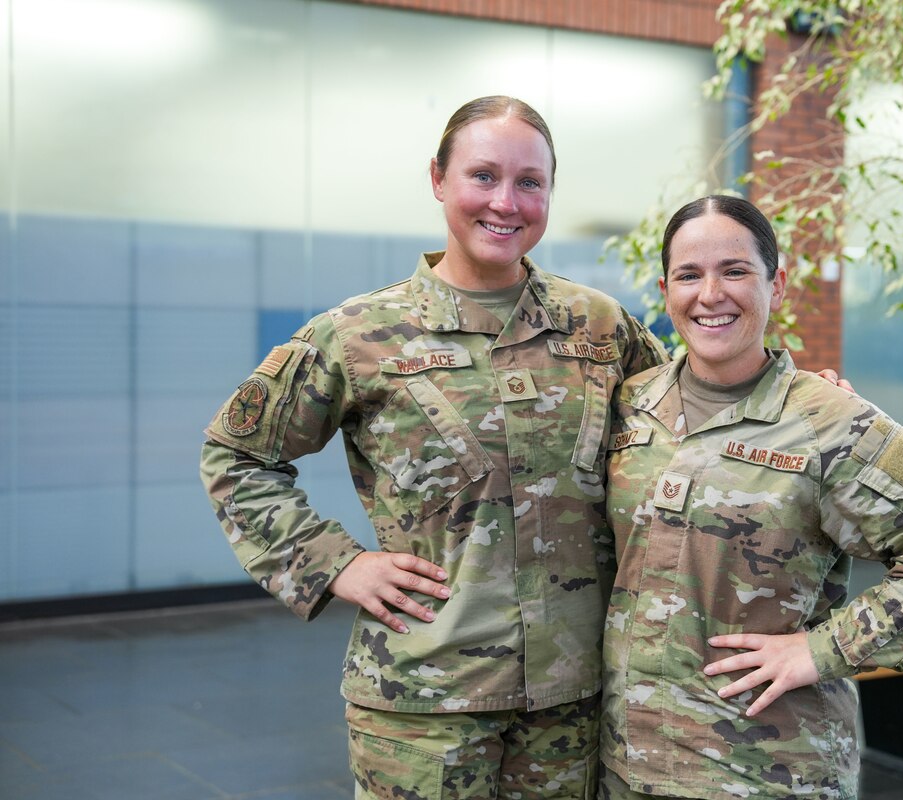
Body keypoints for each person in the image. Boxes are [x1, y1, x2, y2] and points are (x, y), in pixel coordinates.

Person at [201, 95, 849, 799]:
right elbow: (236, 456)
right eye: (483, 176)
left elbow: (690, 411)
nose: (505, 202)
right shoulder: (358, 335)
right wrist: (334, 564)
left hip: (572, 709)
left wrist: (791, 398)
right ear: (438, 180)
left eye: (529, 182)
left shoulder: (599, 329)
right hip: (425, 706)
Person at [599, 195, 903, 800]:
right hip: (628, 763)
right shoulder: (630, 405)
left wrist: (821, 649)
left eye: (735, 271)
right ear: (665, 288)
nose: (711, 293)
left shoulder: (831, 422)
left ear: (775, 285)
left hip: (765, 771)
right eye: (689, 274)